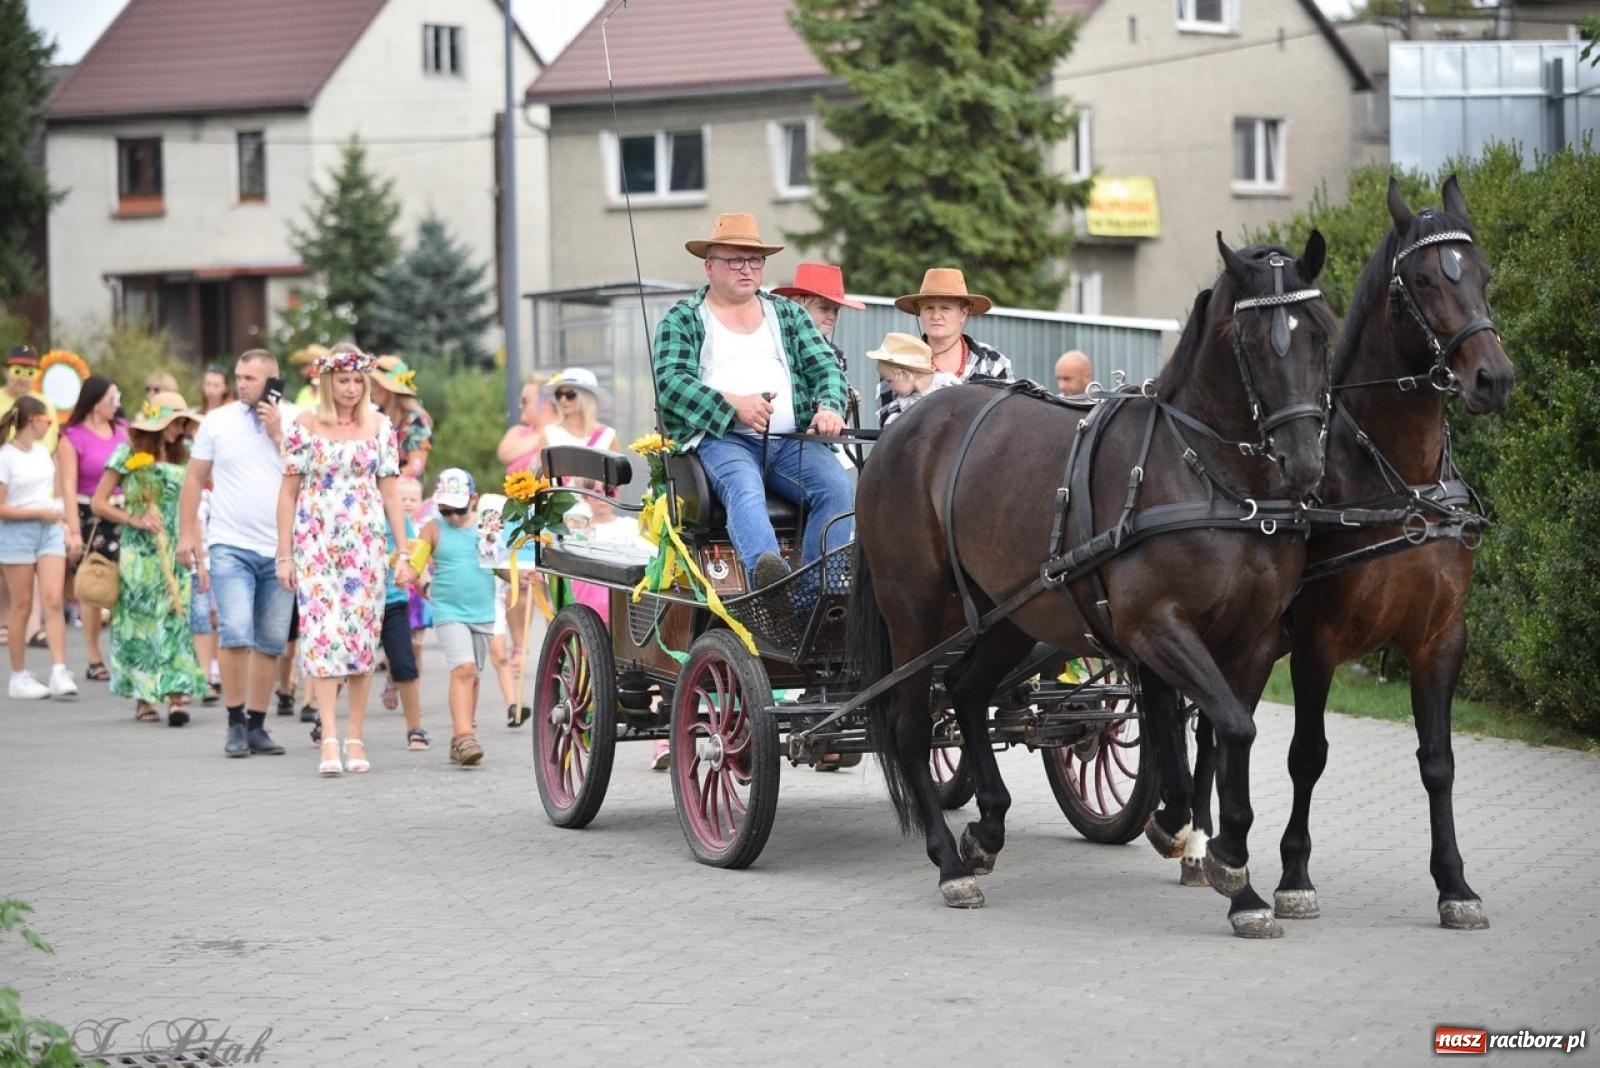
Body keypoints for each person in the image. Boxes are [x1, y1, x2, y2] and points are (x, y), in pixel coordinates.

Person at [652, 211, 855, 590]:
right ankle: (770, 587)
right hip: (722, 440)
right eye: (735, 260)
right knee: (744, 488)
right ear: (710, 267)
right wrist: (732, 406)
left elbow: (826, 367)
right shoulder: (684, 319)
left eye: (755, 260)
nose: (747, 269)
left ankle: (815, 597)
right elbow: (670, 383)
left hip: (789, 441)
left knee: (837, 486)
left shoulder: (788, 314)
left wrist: (829, 406)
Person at [276, 343, 412, 778]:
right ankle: (329, 736)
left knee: (359, 641)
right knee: (321, 638)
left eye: (358, 381)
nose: (352, 389)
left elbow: (391, 490)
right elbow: (288, 493)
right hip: (315, 544)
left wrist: (403, 549)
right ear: (327, 382)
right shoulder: (304, 426)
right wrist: (284, 554)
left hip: (364, 546)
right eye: (344, 380)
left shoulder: (379, 426)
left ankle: (356, 735)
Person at [178, 349, 293, 759]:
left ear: (273, 381)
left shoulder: (295, 420)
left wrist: (279, 432)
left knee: (271, 641)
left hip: (282, 548)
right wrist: (187, 534)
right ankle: (234, 722)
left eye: (250, 378)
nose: (241, 383)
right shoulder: (218, 420)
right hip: (230, 544)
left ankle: (258, 725)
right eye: (239, 376)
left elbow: (308, 476)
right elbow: (194, 479)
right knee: (236, 631)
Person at [91, 391, 207, 725]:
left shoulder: (184, 455)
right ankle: (144, 698)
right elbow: (99, 503)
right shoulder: (127, 453)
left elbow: (192, 509)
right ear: (159, 423)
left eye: (183, 422)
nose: (181, 428)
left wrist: (199, 552)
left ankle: (177, 696)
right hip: (139, 553)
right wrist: (133, 519)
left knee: (176, 621)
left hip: (176, 549)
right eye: (175, 422)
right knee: (141, 624)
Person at [408, 468, 491, 768]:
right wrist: (416, 578)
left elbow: (500, 567)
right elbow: (415, 564)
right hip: (448, 609)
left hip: (482, 610)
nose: (453, 518)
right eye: (446, 510)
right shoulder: (433, 528)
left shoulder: (486, 527)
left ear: (473, 500)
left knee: (474, 674)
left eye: (458, 510)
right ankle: (465, 733)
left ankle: (461, 738)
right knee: (463, 668)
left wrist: (521, 576)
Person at [0, 395, 75, 699]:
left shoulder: (44, 454)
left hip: (49, 528)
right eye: (47, 420)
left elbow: (52, 492)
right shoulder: (6, 455)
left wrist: (61, 521)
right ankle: (18, 675)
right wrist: (37, 513)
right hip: (17, 531)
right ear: (33, 420)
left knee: (53, 600)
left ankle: (59, 669)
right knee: (22, 605)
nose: (49, 425)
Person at [57, 374, 128, 680]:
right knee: (95, 583)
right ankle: (94, 655)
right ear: (96, 400)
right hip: (91, 514)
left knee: (128, 582)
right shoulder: (72, 437)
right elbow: (67, 489)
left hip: (125, 510)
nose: (117, 405)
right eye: (112, 398)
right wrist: (73, 531)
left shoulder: (123, 431)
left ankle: (125, 651)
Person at [879, 267, 1013, 426]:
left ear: (963, 314)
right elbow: (886, 426)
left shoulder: (994, 363)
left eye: (945, 308)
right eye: (928, 308)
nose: (936, 316)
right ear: (919, 313)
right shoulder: (897, 360)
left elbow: (1008, 421)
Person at [771, 262, 865, 375]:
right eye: (824, 308)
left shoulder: (837, 356)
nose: (832, 316)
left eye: (836, 310)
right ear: (799, 306)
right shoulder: (778, 346)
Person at [865, 333, 961, 426]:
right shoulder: (902, 403)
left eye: (890, 381)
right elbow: (889, 428)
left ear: (906, 374)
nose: (890, 387)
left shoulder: (946, 385)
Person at [370, 356, 432, 480]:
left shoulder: (416, 421)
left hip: (404, 491)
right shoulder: (377, 416)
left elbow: (415, 467)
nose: (371, 391)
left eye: (375, 385)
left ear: (388, 390)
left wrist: (384, 481)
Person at [541, 368, 617, 453]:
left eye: (570, 394)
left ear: (586, 397)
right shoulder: (549, 434)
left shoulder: (607, 436)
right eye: (559, 394)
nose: (563, 399)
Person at [0, 346, 59, 454]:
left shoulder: (46, 404)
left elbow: (54, 446)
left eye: (30, 373)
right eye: (17, 371)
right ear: (6, 372)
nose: (23, 379)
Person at [496, 376, 554, 475]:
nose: (520, 406)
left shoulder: (564, 432)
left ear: (544, 403)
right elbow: (504, 454)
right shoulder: (518, 431)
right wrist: (541, 438)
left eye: (525, 401)